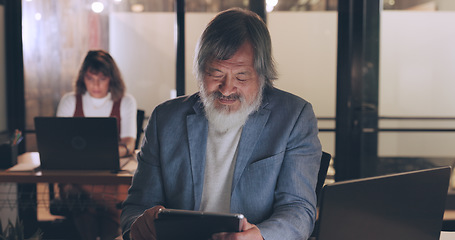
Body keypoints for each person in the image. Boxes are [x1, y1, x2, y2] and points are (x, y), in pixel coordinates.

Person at [121, 8, 322, 240]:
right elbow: (136, 206)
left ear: (263, 75)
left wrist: (261, 236)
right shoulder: (165, 119)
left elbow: (299, 210)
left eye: (241, 77)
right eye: (215, 74)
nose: (227, 89)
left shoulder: (294, 117)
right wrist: (139, 224)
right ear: (200, 69)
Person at [56, 49, 137, 240]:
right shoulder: (69, 101)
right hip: (76, 174)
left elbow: (129, 143)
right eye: (91, 78)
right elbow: (58, 142)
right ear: (83, 78)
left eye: (102, 78)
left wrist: (92, 154)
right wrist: (104, 153)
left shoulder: (125, 102)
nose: (96, 85)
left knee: (84, 202)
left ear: (111, 78)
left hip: (111, 175)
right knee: (85, 198)